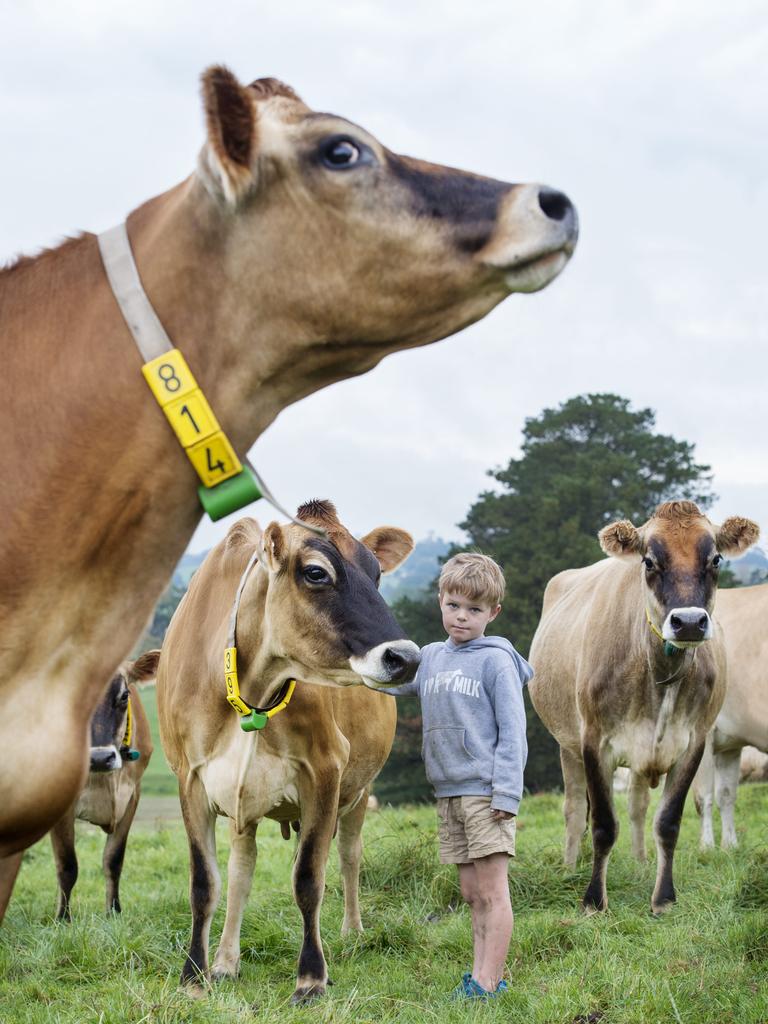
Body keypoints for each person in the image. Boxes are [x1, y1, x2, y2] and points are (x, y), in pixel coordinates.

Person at [377, 552, 531, 1000]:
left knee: (493, 891)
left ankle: (488, 983)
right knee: (470, 891)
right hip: (448, 792)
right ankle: (478, 974)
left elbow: (514, 731)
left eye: (475, 610)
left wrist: (507, 792)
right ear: (440, 600)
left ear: (493, 613)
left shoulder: (496, 662)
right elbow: (387, 679)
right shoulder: (431, 658)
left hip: (486, 792)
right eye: (454, 606)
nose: (462, 617)